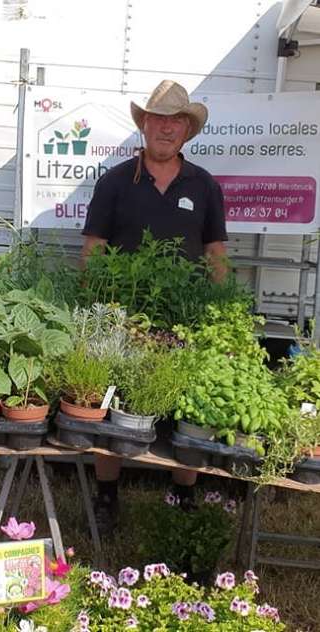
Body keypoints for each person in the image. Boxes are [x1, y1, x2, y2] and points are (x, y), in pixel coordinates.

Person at [80, 80, 228, 535]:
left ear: (187, 129)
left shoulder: (203, 185)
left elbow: (215, 253)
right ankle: (107, 497)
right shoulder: (115, 182)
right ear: (144, 124)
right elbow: (93, 249)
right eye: (158, 118)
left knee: (187, 410)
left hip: (184, 316)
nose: (166, 128)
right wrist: (93, 311)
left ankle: (182, 496)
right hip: (124, 316)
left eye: (175, 120)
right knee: (112, 403)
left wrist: (219, 314)